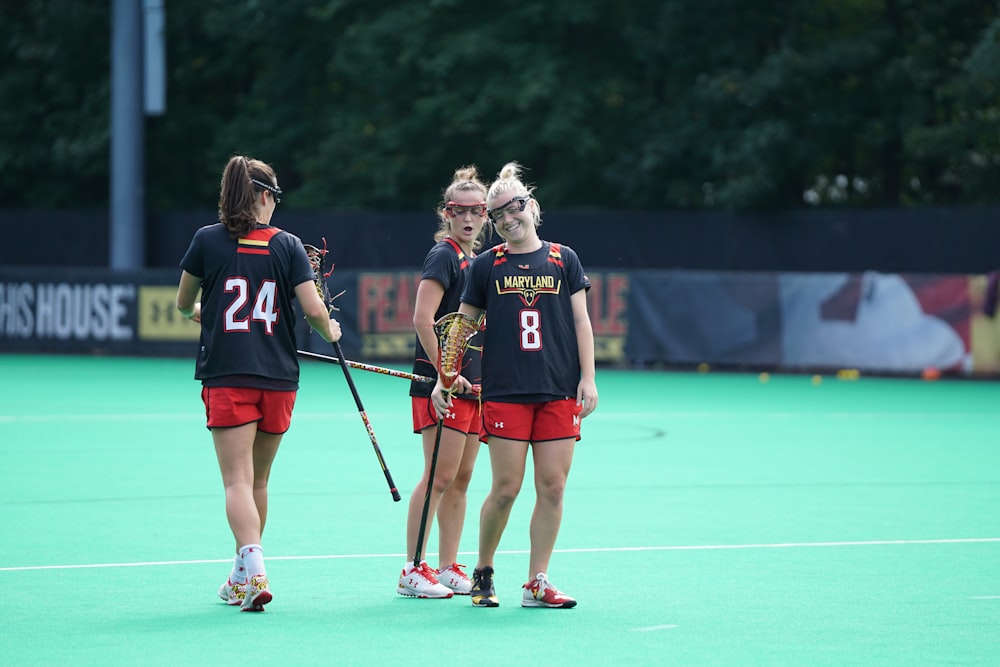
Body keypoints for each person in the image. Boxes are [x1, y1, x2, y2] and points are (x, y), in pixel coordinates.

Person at [175, 155, 341, 612]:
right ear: (264, 196)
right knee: (259, 482)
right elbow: (313, 312)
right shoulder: (287, 245)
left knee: (236, 483)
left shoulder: (206, 240)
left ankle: (255, 570)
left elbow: (183, 302)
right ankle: (240, 575)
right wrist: (333, 332)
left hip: (228, 375)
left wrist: (198, 315)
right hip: (278, 379)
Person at [431, 161, 598, 609]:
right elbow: (462, 326)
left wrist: (588, 377)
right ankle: (483, 570)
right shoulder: (485, 266)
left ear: (530, 206)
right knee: (506, 489)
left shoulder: (565, 259)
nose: (508, 219)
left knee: (554, 487)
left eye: (514, 208)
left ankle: (537, 582)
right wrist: (445, 377)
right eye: (498, 213)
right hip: (506, 391)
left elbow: (581, 322)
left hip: (558, 390)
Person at [397, 165, 489, 598]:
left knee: (462, 476)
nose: (468, 219)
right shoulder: (445, 255)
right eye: (459, 211)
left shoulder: (478, 261)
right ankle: (413, 568)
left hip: (470, 384)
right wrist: (443, 375)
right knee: (438, 474)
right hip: (440, 384)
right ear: (446, 213)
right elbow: (421, 318)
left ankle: (450, 563)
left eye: (477, 212)